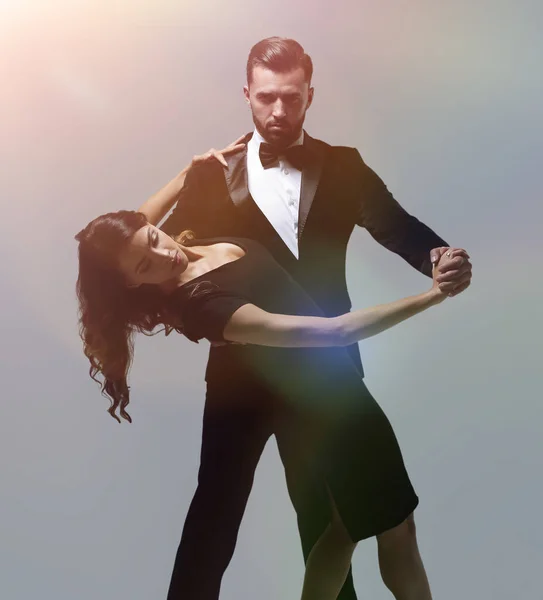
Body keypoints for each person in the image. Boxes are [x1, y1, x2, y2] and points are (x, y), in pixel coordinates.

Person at [146, 37, 472, 600]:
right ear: (246, 94)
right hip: (237, 372)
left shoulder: (343, 166)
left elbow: (397, 226)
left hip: (324, 366)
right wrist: (182, 173)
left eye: (291, 99)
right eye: (266, 98)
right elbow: (147, 245)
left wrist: (439, 255)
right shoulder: (209, 175)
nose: (278, 112)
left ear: (310, 96)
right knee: (214, 515)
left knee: (325, 513)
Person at [76, 197, 464, 600]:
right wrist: (431, 297)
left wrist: (188, 172)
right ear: (133, 284)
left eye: (155, 238)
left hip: (334, 385)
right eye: (145, 266)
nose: (165, 255)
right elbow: (334, 334)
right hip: (317, 402)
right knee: (392, 523)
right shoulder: (200, 306)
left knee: (346, 528)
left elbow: (132, 231)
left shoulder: (182, 241)